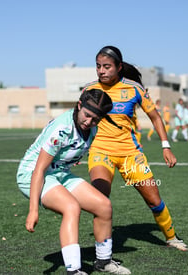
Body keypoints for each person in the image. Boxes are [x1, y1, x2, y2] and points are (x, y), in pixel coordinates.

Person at [83, 46, 188, 252]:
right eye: (98, 66)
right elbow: (81, 122)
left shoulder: (134, 89)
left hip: (131, 155)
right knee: (100, 201)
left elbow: (156, 118)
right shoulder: (89, 90)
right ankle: (103, 254)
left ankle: (171, 237)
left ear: (118, 67)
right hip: (100, 152)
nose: (101, 71)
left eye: (107, 66)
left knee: (154, 200)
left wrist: (166, 147)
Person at [17, 89, 131, 275]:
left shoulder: (92, 128)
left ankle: (103, 261)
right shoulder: (61, 128)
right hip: (32, 174)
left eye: (95, 119)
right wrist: (33, 210)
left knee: (104, 206)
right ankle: (74, 270)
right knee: (71, 207)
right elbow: (39, 169)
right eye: (87, 115)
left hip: (60, 173)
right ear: (79, 105)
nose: (89, 122)